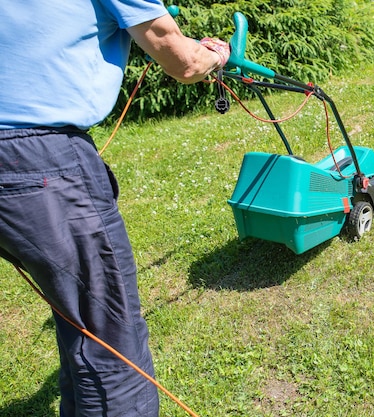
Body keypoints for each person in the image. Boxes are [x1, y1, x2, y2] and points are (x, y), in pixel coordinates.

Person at [0, 1, 230, 415]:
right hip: (39, 161)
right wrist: (217, 53)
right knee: (112, 342)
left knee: (81, 318)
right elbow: (184, 62)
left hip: (17, 170)